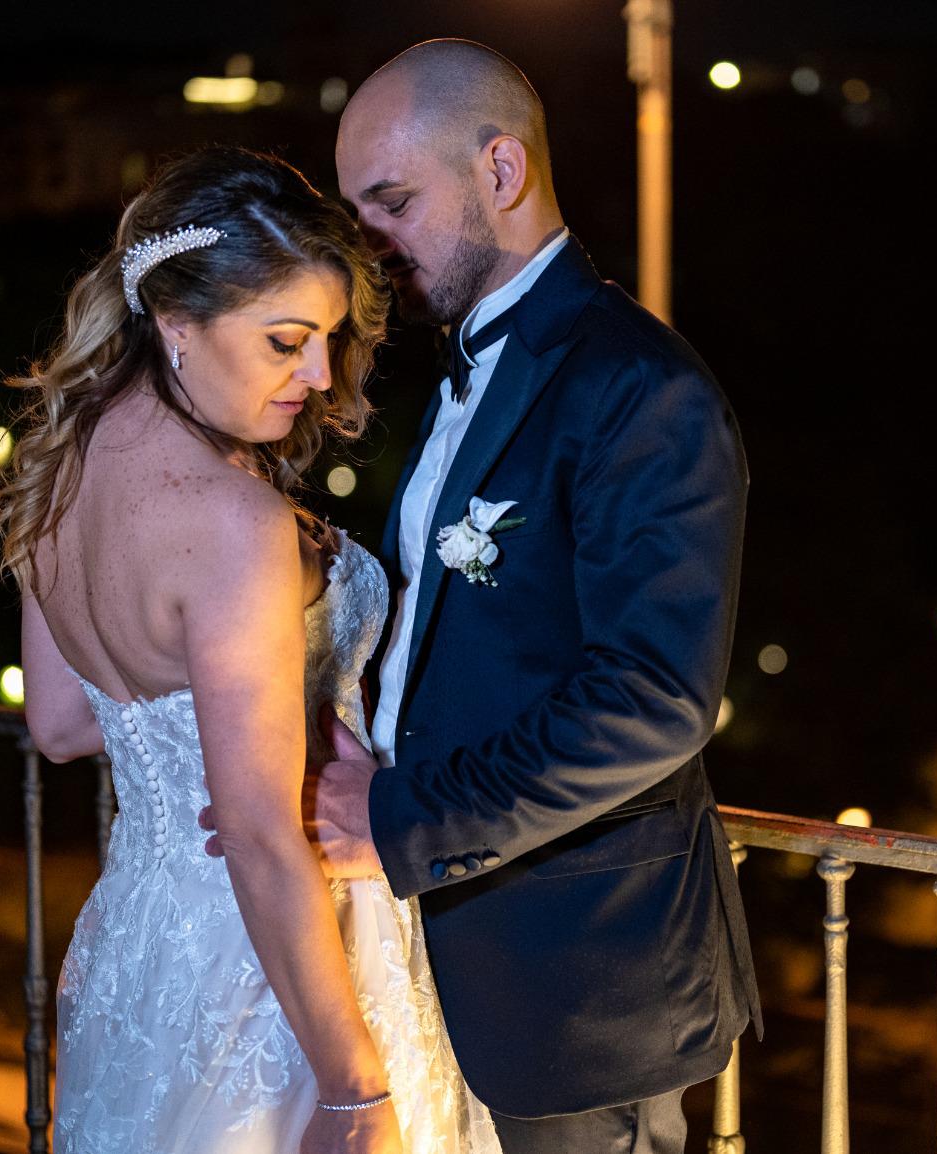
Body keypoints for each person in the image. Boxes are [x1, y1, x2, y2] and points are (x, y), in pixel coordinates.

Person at [258, 39, 762, 1154]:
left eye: (391, 200)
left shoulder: (639, 387)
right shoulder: (453, 368)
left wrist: (397, 816)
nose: (368, 243)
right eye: (356, 209)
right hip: (444, 953)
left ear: (500, 170)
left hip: (581, 980)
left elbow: (652, 701)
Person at [0, 146, 498, 1154]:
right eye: (285, 340)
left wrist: (234, 713)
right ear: (176, 325)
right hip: (270, 971)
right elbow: (263, 836)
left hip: (141, 942)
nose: (317, 377)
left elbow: (56, 723)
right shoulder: (234, 521)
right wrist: (355, 1086)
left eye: (322, 340)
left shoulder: (60, 457)